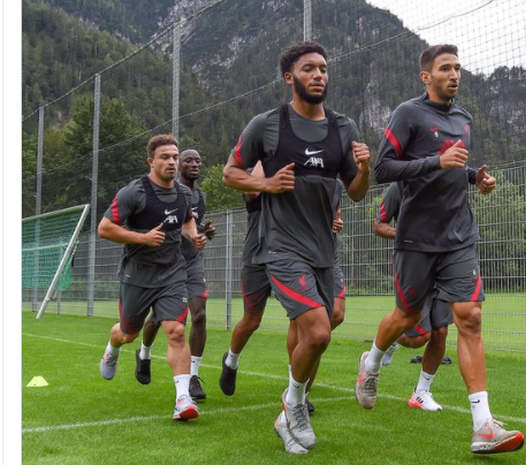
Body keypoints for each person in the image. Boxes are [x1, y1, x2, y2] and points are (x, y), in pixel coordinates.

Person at [354, 44, 524, 454]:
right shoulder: (408, 114)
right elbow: (383, 170)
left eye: (458, 68)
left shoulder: (464, 118)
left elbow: (455, 165)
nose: (455, 74)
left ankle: (483, 426)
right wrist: (437, 162)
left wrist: (474, 178)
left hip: (459, 235)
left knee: (470, 316)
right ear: (426, 76)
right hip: (416, 238)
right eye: (445, 68)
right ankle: (371, 363)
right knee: (407, 316)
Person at [222, 41, 371, 455]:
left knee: (322, 328)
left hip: (324, 248)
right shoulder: (267, 125)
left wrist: (364, 168)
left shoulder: (344, 128)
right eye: (309, 69)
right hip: (280, 246)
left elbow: (356, 194)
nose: (319, 75)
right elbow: (230, 174)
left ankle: (291, 408)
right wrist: (265, 183)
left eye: (323, 68)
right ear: (290, 78)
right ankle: (293, 405)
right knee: (319, 331)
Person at [219, 169, 346, 418]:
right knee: (252, 319)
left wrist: (334, 221)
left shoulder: (317, 179)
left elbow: (329, 213)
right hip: (258, 256)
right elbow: (252, 189)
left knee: (308, 321)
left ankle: (297, 392)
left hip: (295, 258)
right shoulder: (265, 174)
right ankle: (231, 361)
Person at [97, 134, 207, 421]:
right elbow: (105, 228)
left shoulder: (184, 194)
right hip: (138, 275)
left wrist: (194, 237)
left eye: (174, 157)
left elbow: (186, 221)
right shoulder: (134, 192)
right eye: (165, 157)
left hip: (172, 273)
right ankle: (113, 346)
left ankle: (182, 400)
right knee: (128, 332)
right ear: (151, 161)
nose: (172, 162)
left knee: (176, 331)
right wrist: (142, 238)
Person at [135, 149, 216, 401]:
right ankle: (144, 354)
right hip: (168, 264)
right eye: (188, 160)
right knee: (159, 318)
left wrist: (204, 233)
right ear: (177, 165)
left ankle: (192, 376)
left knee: (199, 315)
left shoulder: (199, 197)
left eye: (198, 160)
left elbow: (191, 226)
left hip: (192, 263)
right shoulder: (168, 193)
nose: (195, 164)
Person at [373, 182, 453, 412]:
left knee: (441, 330)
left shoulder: (447, 182)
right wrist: (407, 235)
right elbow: (379, 226)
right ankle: (389, 340)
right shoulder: (398, 187)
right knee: (418, 337)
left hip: (446, 262)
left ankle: (421, 393)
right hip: (413, 264)